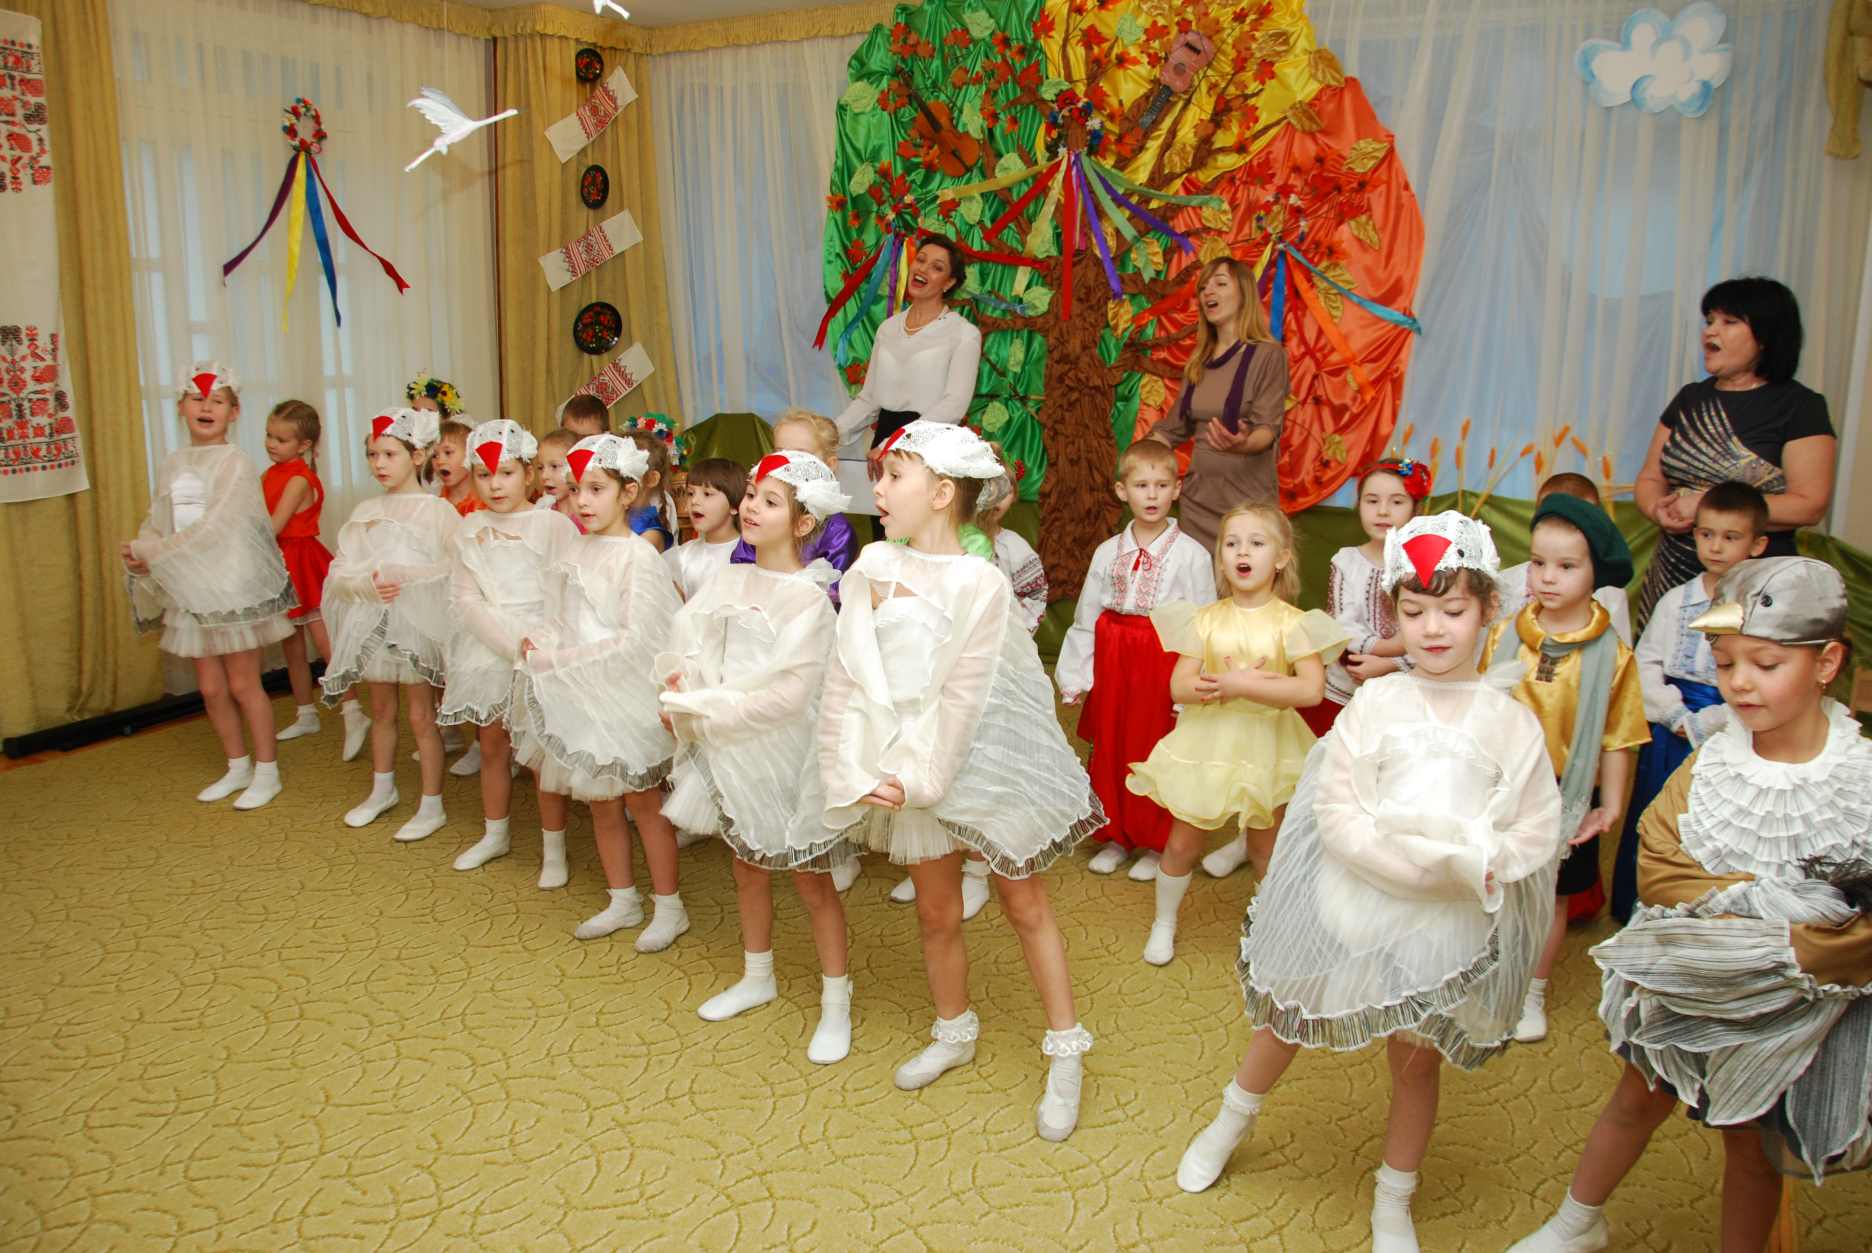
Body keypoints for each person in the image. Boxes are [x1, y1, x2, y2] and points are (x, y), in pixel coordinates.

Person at [1178, 513, 1564, 1253]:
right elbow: (1334, 807)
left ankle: (1395, 1196)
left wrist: (1475, 863)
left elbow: (1536, 830)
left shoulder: (1510, 724)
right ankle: (1232, 1118)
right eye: (1414, 613)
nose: (1433, 629)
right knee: (1289, 1015)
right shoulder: (1378, 702)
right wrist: (1401, 864)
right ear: (1395, 615)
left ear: (1489, 608)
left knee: (1415, 1061)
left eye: (1453, 611)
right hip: (1356, 900)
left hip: (1442, 924)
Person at [1511, 557, 1871, 1253]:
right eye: (1726, 663)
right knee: (1635, 1098)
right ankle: (1577, 1220)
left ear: (1827, 663)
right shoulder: (1712, 762)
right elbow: (1661, 864)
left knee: (1752, 1142)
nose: (1739, 682)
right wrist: (1774, 913)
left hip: (1791, 1010)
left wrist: (1761, 928)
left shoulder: (1858, 778)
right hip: (1691, 982)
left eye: (1766, 664)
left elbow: (1853, 924)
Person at [819, 420, 1101, 1141]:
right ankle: (953, 1029)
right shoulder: (873, 565)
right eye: (879, 476)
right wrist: (852, 768)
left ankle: (1065, 1049)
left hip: (977, 755)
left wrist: (924, 778)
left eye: (894, 476)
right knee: (936, 910)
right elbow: (849, 676)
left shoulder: (981, 581)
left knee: (1023, 902)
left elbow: (967, 693)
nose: (878, 489)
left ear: (942, 493)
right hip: (909, 761)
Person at [660, 451, 855, 1063]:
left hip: (786, 752)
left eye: (770, 502)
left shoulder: (808, 598)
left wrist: (703, 713)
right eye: (750, 495)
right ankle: (757, 974)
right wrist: (682, 681)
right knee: (746, 862)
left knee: (811, 878)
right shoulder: (730, 577)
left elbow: (789, 695)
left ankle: (836, 1001)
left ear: (803, 523)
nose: (750, 508)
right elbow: (696, 641)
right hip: (728, 744)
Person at [1123, 504, 1347, 964]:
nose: (1242, 552)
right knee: (1183, 842)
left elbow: (1310, 690)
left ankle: (1270, 925)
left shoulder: (1294, 623)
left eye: (1256, 543)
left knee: (1266, 846)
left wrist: (1244, 685)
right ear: (1221, 558)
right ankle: (1164, 921)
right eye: (1232, 543)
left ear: (1281, 557)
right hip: (1208, 743)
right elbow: (1179, 686)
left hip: (1269, 747)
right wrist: (1219, 687)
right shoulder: (1205, 619)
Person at [510, 434, 689, 951]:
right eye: (576, 490)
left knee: (644, 805)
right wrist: (540, 639)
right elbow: (561, 616)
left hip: (623, 699)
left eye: (596, 489)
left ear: (628, 492)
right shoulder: (574, 549)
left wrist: (561, 660)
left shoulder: (638, 557)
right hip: (580, 697)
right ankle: (622, 897)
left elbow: (638, 640)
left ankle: (669, 906)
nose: (583, 501)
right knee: (600, 803)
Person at [1483, 494, 1649, 1043]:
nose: (1547, 577)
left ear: (1596, 573)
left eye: (1566, 566)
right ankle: (1490, 973)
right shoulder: (1505, 635)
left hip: (1564, 793)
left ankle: (1532, 988)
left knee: (1551, 895)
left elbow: (1619, 736)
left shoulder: (1612, 655)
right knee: (1496, 882)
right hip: (1501, 785)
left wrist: (1611, 805)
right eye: (1538, 562)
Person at [122, 363, 295, 811]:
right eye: (197, 399)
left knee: (242, 683)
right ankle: (236, 765)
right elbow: (160, 516)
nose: (206, 407)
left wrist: (157, 551)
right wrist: (143, 547)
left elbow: (216, 526)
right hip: (190, 586)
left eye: (217, 401)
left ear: (233, 413)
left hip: (230, 587)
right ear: (181, 406)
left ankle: (267, 771)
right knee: (212, 688)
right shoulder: (173, 462)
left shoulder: (235, 462)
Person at [1633, 278, 1836, 627]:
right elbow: (1651, 477)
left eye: (1729, 322)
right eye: (1709, 320)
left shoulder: (1801, 407)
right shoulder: (1690, 398)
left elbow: (1810, 504)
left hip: (1755, 581)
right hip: (1673, 573)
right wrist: (1656, 509)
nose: (1711, 331)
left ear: (1765, 336)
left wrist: (1708, 507)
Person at [1058, 438, 1215, 880]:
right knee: (1112, 744)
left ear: (1176, 490)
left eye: (1161, 485)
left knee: (1155, 745)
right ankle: (1114, 835)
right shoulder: (1107, 551)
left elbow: (1203, 624)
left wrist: (1194, 684)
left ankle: (1154, 839)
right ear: (1122, 490)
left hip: (1161, 660)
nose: (1152, 495)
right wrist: (1076, 674)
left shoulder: (1192, 555)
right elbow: (1088, 614)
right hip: (1113, 659)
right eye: (1142, 485)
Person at [1613, 480, 1768, 922]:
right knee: (1658, 814)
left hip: (1731, 727)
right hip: (1671, 731)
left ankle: (1704, 914)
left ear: (1757, 545)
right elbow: (1645, 663)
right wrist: (1675, 714)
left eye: (1731, 537)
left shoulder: (1761, 608)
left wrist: (1712, 720)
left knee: (1715, 821)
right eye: (1706, 534)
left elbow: (1759, 676)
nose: (1715, 547)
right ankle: (1641, 906)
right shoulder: (1676, 600)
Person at [439, 420, 580, 886]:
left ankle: (554, 848)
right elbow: (465, 599)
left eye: (506, 473)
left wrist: (540, 643)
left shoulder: (552, 525)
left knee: (540, 753)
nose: (494, 485)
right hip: (490, 646)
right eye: (483, 475)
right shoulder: (470, 528)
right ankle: (494, 833)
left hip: (542, 644)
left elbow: (567, 588)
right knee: (492, 744)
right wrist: (506, 644)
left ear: (528, 473)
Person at [319, 407, 459, 843]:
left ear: (417, 456)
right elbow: (340, 570)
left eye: (389, 454)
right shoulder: (366, 510)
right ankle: (383, 789)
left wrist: (408, 575)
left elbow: (456, 565)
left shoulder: (438, 511)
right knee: (381, 711)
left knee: (421, 716)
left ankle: (432, 804)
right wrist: (365, 584)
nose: (379, 464)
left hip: (417, 626)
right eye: (372, 455)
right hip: (374, 623)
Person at [833, 236, 983, 538]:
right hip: (882, 450)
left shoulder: (963, 333)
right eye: (921, 259)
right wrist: (826, 435)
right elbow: (869, 399)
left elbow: (954, 405)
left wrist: (894, 443)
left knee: (920, 541)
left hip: (928, 450)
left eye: (937, 267)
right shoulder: (888, 328)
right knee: (885, 537)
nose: (923, 269)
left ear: (949, 282)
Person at [1146, 255, 1290, 553]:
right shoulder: (1198, 361)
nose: (1208, 292)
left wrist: (1242, 444)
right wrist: (1140, 455)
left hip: (1247, 509)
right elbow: (1172, 430)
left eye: (1220, 283)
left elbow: (1267, 429)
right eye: (1203, 288)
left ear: (1244, 294)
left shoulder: (1268, 355)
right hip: (1197, 506)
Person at [261, 398, 365, 757]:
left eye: (281, 439)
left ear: (303, 444)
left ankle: (353, 711)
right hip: (279, 561)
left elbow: (273, 525)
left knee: (325, 644)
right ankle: (305, 712)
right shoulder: (270, 474)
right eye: (269, 436)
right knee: (290, 643)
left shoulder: (298, 479)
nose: (272, 444)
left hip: (302, 560)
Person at [1311, 458, 1431, 738]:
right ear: (1359, 505)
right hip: (1344, 693)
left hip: (1406, 695)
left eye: (1397, 502)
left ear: (1416, 509)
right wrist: (1391, 647)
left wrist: (1389, 664)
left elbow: (1435, 635)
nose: (1383, 511)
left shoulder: (1427, 566)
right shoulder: (1346, 561)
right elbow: (1342, 628)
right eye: (1372, 501)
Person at [729, 409, 859, 606]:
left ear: (830, 464)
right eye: (780, 452)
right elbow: (741, 566)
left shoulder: (837, 529)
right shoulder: (759, 518)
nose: (788, 463)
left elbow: (833, 592)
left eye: (800, 454)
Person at [1497, 474, 1632, 647]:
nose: (1548, 578)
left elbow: (1619, 650)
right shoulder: (1505, 584)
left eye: (1584, 517)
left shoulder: (1612, 594)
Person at [975, 459, 1047, 634]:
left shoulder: (1013, 547)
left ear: (1014, 496)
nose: (997, 498)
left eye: (1005, 491)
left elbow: (1037, 596)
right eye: (989, 488)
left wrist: (1016, 634)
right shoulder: (948, 539)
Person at [663, 456, 746, 600]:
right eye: (690, 493)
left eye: (707, 494)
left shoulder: (747, 555)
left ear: (734, 506)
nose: (694, 501)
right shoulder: (682, 557)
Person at [623, 420, 677, 553]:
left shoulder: (650, 536)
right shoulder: (616, 518)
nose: (618, 482)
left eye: (627, 475)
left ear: (652, 479)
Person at [431, 419, 484, 518]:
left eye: (448, 452)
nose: (440, 461)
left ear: (469, 454)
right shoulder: (435, 505)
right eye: (434, 455)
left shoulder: (485, 501)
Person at [534, 428, 584, 532]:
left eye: (554, 466)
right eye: (540, 467)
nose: (544, 475)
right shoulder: (543, 511)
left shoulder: (587, 514)